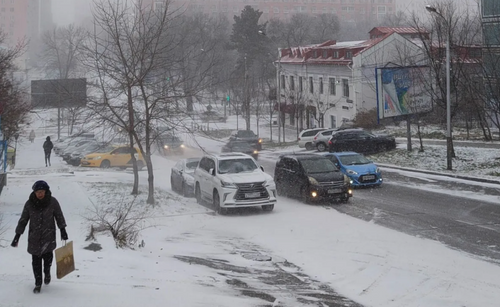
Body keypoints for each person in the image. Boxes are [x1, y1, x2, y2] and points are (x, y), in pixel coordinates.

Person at [11, 180, 68, 294]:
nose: (40, 194)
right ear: (34, 192)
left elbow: (59, 216)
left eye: (42, 191)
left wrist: (63, 230)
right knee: (35, 263)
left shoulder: (52, 202)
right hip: (34, 239)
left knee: (47, 261)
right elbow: (23, 220)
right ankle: (38, 283)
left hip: (48, 237)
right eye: (37, 192)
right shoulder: (29, 204)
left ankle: (47, 273)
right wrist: (17, 236)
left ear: (46, 191)